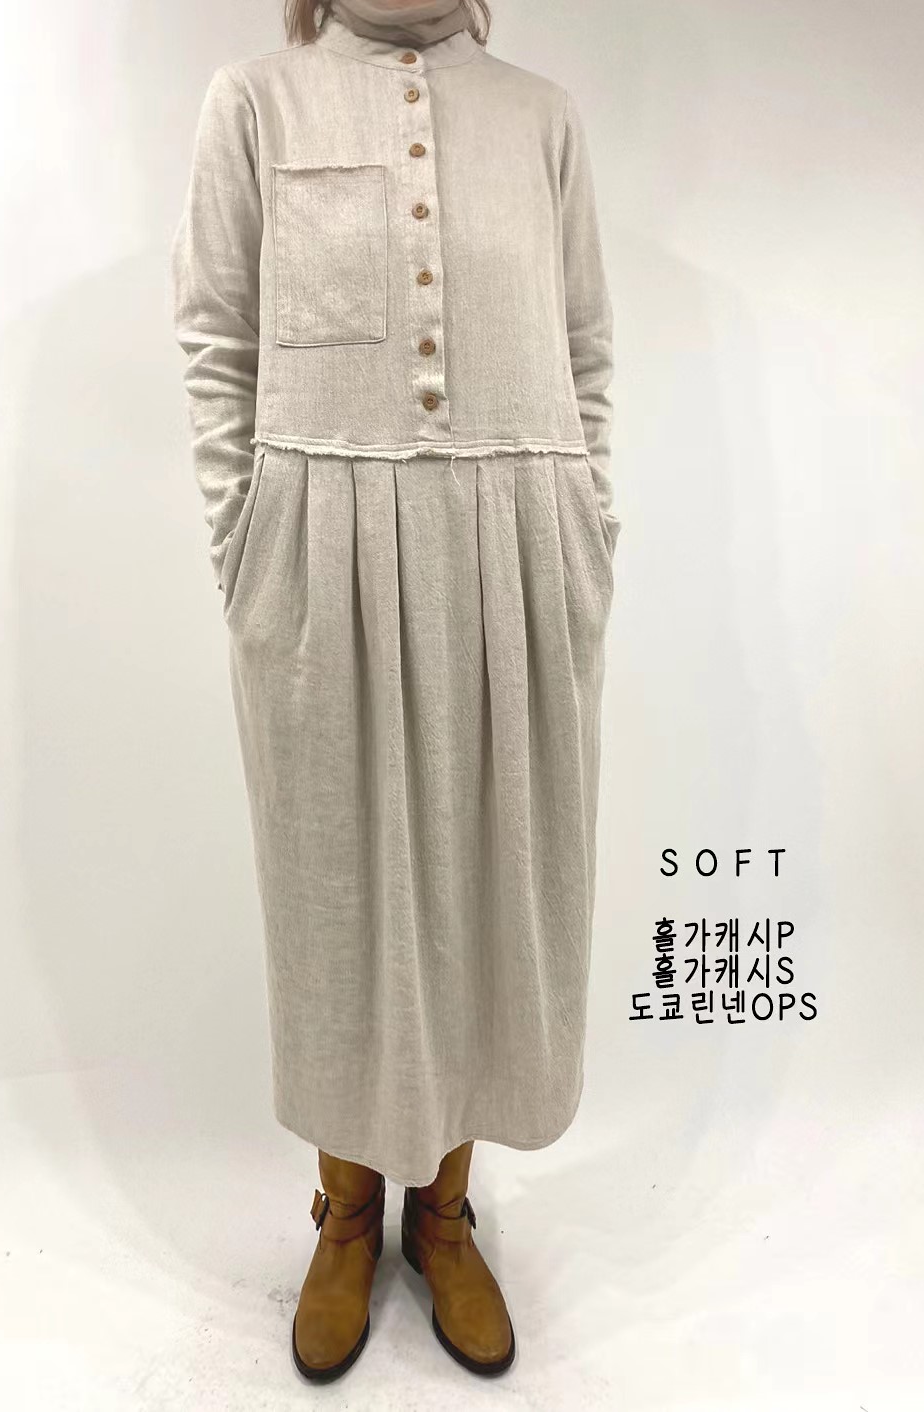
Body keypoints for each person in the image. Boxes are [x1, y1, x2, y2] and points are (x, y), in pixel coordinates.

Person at [171, 0, 620, 1381]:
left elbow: (588, 348)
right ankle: (349, 1211)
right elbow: (216, 338)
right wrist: (247, 542)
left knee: (495, 876)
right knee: (338, 888)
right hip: (323, 549)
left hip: (515, 544)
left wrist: (587, 527)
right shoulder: (257, 100)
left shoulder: (540, 115)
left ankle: (445, 1212)